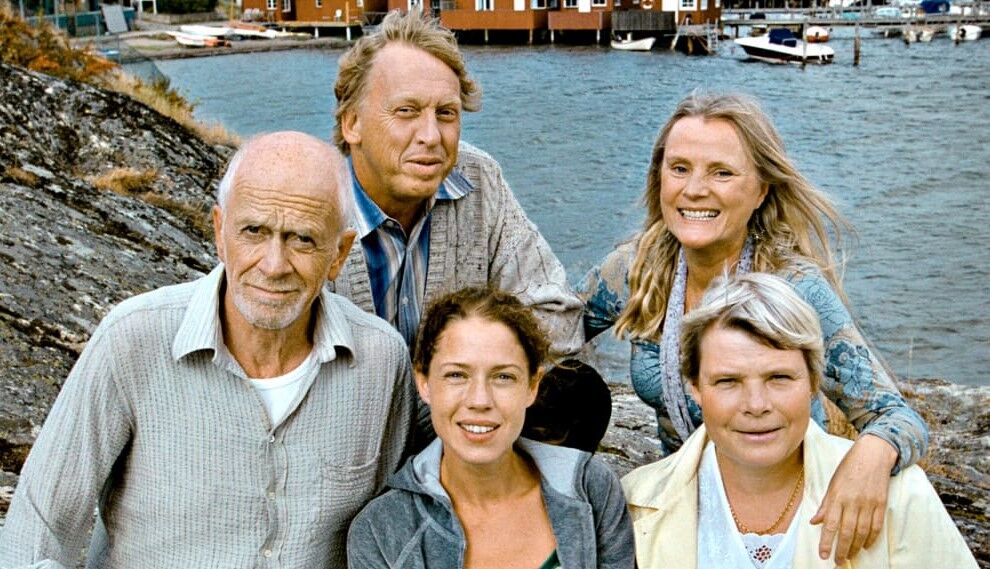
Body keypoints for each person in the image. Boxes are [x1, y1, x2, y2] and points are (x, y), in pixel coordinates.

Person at [0, 132, 414, 568]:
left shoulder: (380, 361)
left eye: (303, 239)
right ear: (219, 232)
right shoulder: (133, 340)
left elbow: (397, 527)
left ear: (340, 253)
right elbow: (34, 537)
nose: (274, 265)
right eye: (253, 231)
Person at [580, 92, 929, 565]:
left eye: (721, 173)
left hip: (791, 505)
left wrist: (870, 454)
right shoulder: (637, 269)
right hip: (684, 508)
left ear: (761, 189)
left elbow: (897, 416)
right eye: (679, 168)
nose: (694, 190)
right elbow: (539, 339)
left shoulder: (794, 287)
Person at [330, 11, 610, 451]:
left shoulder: (477, 179)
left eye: (446, 114)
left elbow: (556, 314)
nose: (431, 135)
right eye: (406, 111)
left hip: (459, 430)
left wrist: (460, 375)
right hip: (350, 440)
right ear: (352, 123)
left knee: (577, 392)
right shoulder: (314, 204)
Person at [622, 272, 976, 569]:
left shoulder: (901, 496)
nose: (756, 405)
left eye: (779, 377)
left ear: (813, 381)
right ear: (695, 387)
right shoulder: (634, 503)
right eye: (728, 381)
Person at [347, 287, 636, 568]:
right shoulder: (382, 531)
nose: (480, 400)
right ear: (423, 383)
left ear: (532, 386)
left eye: (503, 377)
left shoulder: (590, 487)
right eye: (457, 375)